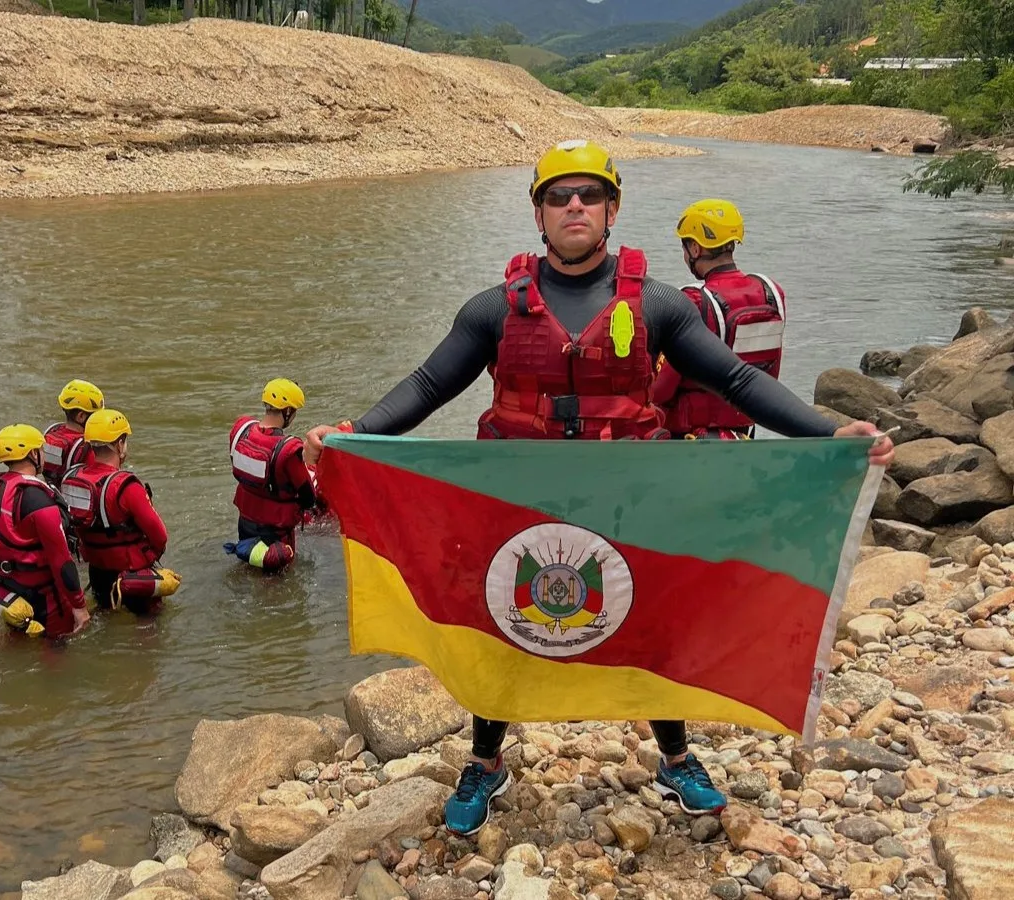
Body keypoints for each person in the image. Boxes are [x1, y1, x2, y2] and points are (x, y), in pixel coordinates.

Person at [304, 139, 895, 836]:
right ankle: (486, 762)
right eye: (559, 196)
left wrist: (827, 434)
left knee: (651, 618)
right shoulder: (493, 310)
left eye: (588, 194)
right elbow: (431, 386)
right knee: (505, 619)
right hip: (518, 499)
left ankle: (675, 757)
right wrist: (356, 432)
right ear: (539, 213)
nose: (574, 206)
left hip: (627, 493)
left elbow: (735, 381)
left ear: (612, 208)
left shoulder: (662, 306)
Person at [653, 199, 786, 440]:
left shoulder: (693, 301)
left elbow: (661, 390)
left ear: (695, 249)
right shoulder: (771, 292)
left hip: (691, 440)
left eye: (685, 248)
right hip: (745, 432)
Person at [0, 424, 90, 638]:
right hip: (46, 597)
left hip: (8, 588)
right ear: (33, 454)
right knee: (57, 647)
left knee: (19, 640)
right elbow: (61, 560)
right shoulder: (37, 499)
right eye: (41, 450)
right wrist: (79, 606)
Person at [60, 409, 179, 613]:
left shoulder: (72, 479)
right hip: (133, 574)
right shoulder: (127, 487)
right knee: (149, 627)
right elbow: (159, 535)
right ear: (120, 443)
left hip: (97, 571)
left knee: (104, 615)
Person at [223, 378, 319, 573]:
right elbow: (308, 497)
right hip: (276, 531)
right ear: (288, 411)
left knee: (249, 564)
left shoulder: (241, 430)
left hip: (245, 521)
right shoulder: (288, 450)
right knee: (277, 580)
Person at [42, 379, 105, 486]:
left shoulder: (51, 432)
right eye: (96, 415)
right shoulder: (87, 448)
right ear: (81, 416)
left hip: (50, 492)